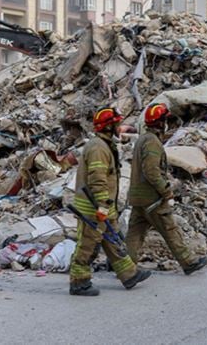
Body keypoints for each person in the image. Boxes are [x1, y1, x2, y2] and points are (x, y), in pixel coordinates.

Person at [69, 106, 150, 296]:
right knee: (88, 244)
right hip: (94, 207)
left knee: (113, 241)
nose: (120, 127)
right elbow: (98, 179)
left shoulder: (104, 144)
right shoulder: (98, 148)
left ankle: (129, 274)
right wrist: (102, 206)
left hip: (105, 205)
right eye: (117, 124)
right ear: (109, 126)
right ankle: (79, 282)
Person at [125, 103, 207, 275]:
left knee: (135, 233)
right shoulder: (152, 142)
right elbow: (152, 171)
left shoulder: (142, 139)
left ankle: (123, 264)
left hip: (137, 197)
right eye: (164, 120)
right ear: (160, 123)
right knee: (169, 228)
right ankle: (188, 261)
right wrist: (165, 190)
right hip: (152, 198)